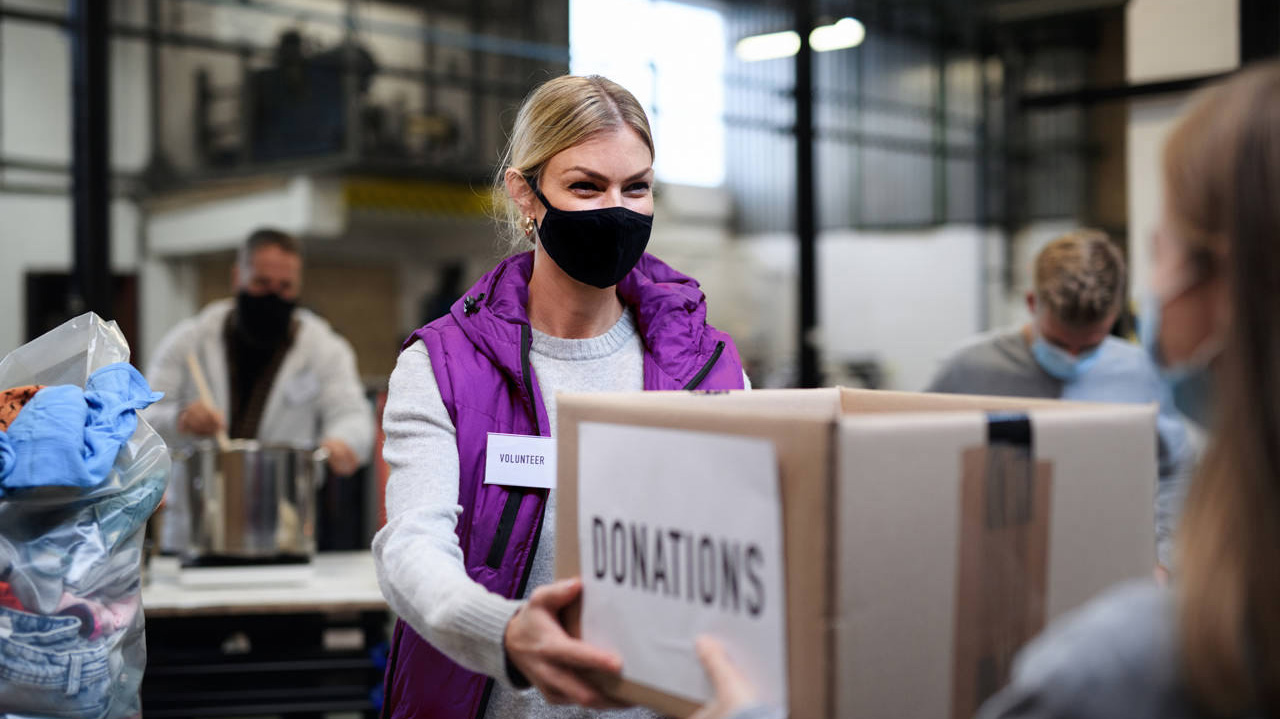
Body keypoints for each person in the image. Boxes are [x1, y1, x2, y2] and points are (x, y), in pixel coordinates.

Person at [693, 61, 1280, 719]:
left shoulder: (1131, 665)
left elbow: (1171, 474)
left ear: (1224, 289)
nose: (1078, 359)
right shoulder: (970, 368)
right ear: (1032, 304)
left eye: (1163, 244)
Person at [372, 74, 748, 719]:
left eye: (636, 186)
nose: (617, 209)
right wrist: (504, 632)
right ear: (526, 193)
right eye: (585, 186)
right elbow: (410, 546)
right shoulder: (442, 365)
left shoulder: (708, 367)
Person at [926, 230, 1195, 572]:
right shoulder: (967, 369)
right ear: (1031, 303)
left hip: (1108, 566)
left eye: (1089, 346)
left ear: (1114, 315)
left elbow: (1176, 469)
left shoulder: (1141, 372)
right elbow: (920, 465)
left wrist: (1163, 556)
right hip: (999, 567)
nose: (1071, 357)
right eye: (1057, 342)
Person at [144, 228, 375, 551]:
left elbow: (352, 415)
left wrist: (343, 443)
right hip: (198, 530)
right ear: (238, 276)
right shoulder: (189, 342)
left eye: (285, 288)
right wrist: (180, 419)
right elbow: (141, 418)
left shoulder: (324, 349)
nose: (272, 297)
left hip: (284, 528)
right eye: (261, 284)